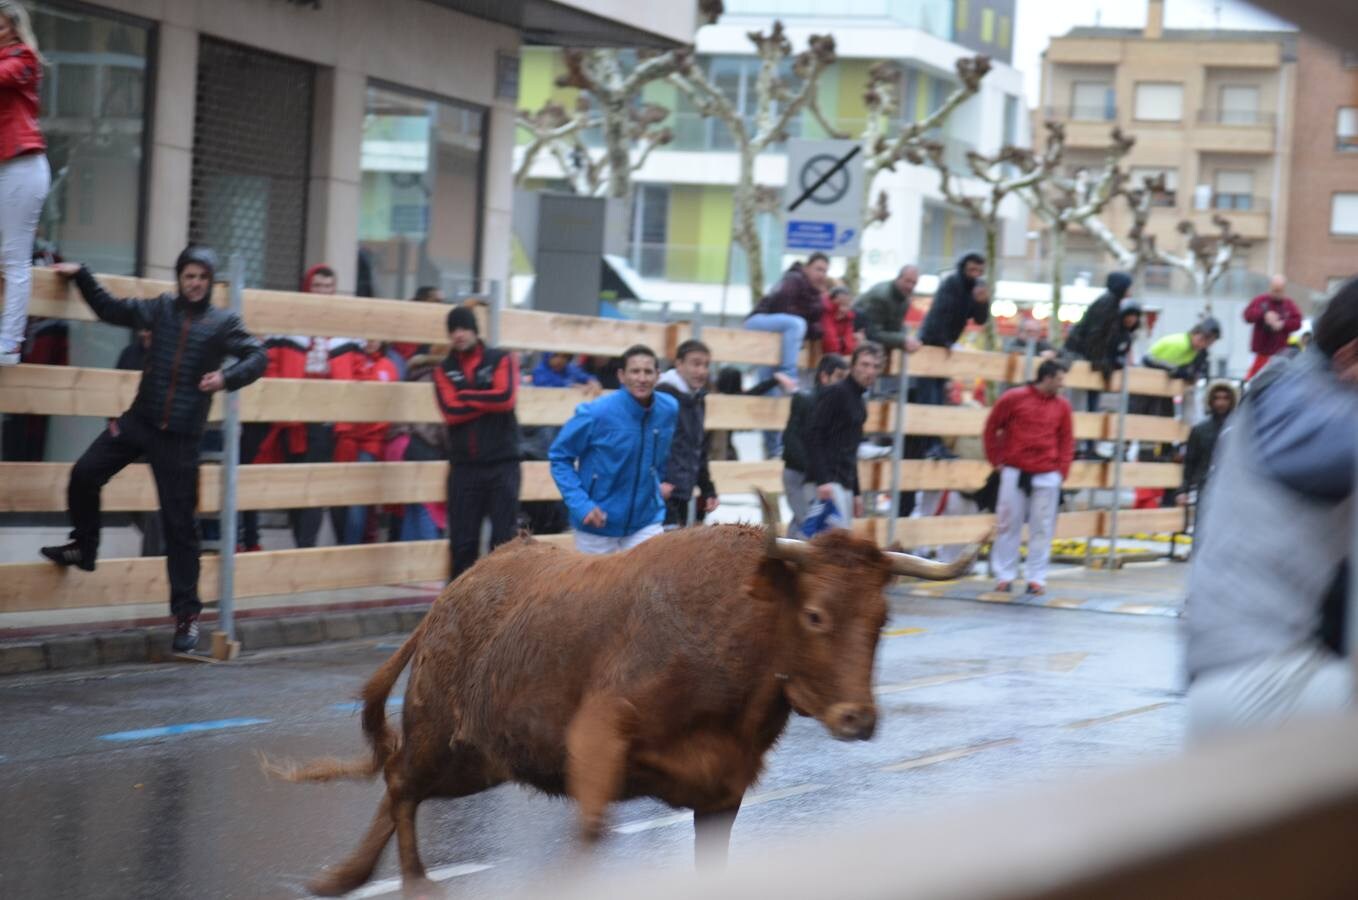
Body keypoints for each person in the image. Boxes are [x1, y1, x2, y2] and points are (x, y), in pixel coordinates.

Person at [41, 248, 267, 652]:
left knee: (180, 529)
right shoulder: (161, 309)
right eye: (188, 275)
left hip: (180, 438)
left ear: (209, 280)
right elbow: (110, 309)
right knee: (84, 473)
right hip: (139, 422)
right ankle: (84, 546)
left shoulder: (221, 323)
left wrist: (226, 378)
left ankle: (186, 618)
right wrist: (82, 274)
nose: (194, 282)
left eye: (201, 276)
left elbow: (258, 355)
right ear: (178, 278)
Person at [1184, 280, 1358, 737]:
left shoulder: (1302, 391)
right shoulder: (1297, 401)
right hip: (1262, 687)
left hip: (1275, 681)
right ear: (1352, 357)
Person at [549, 344, 678, 554]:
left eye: (648, 372)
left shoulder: (669, 408)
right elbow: (559, 457)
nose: (642, 378)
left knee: (650, 584)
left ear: (658, 376)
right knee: (598, 588)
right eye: (635, 371)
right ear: (621, 375)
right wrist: (582, 505)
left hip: (646, 520)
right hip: (597, 522)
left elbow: (664, 449)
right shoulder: (596, 413)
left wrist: (660, 482)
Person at [432, 305, 522, 578]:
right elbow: (451, 412)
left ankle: (501, 606)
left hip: (502, 464)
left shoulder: (501, 358)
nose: (459, 334)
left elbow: (506, 398)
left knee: (503, 542)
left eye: (464, 327)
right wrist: (485, 396)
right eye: (454, 329)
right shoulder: (444, 369)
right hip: (464, 467)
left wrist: (466, 395)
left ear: (475, 329)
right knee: (462, 543)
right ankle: (458, 610)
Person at [983, 359, 1074, 596]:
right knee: (1007, 524)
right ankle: (1005, 575)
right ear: (1047, 377)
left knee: (1042, 527)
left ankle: (1036, 577)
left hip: (1046, 473)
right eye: (1060, 378)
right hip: (1015, 469)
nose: (1062, 383)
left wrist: (1061, 471)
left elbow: (1066, 439)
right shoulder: (1013, 398)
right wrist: (997, 461)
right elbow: (992, 428)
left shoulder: (1062, 406)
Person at [0, 1, 50, 366]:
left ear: (13, 28)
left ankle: (10, 343)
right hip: (8, 166)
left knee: (14, 258)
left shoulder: (23, 58)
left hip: (23, 165)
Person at [804, 343, 883, 530]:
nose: (870, 371)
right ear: (853, 366)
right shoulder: (836, 392)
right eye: (865, 364)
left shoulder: (860, 402)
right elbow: (813, 434)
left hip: (844, 482)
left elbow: (851, 449)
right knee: (825, 548)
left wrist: (856, 492)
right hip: (828, 481)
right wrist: (823, 480)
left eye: (875, 366)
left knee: (833, 548)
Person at [917, 254, 989, 457]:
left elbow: (980, 319)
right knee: (929, 398)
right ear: (963, 267)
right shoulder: (951, 285)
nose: (974, 275)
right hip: (932, 345)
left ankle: (936, 444)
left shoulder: (975, 287)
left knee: (939, 399)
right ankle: (928, 445)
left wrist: (983, 302)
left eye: (978, 271)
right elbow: (939, 315)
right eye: (971, 270)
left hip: (946, 348)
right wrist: (944, 342)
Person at [330, 338, 400, 544]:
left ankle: (350, 547)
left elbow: (379, 409)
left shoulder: (387, 367)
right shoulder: (351, 359)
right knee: (340, 501)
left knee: (357, 503)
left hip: (369, 444)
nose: (371, 342)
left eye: (375, 338)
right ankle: (345, 546)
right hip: (347, 442)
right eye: (366, 337)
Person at [782, 354, 848, 535]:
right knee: (808, 524)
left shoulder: (833, 405)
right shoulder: (806, 400)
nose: (843, 383)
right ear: (824, 377)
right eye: (839, 377)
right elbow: (790, 440)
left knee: (804, 521)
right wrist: (815, 470)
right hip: (799, 474)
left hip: (813, 475)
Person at [656, 340, 718, 528]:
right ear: (679, 363)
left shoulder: (698, 399)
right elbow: (649, 445)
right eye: (696, 363)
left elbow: (698, 448)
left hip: (682, 492)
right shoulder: (661, 397)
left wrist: (707, 489)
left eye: (706, 365)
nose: (702, 371)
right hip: (660, 494)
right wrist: (655, 484)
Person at [745, 252, 827, 378]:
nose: (821, 274)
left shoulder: (816, 294)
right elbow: (781, 307)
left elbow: (813, 324)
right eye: (818, 269)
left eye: (824, 271)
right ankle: (789, 374)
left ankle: (779, 382)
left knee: (770, 386)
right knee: (796, 324)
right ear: (807, 268)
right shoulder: (794, 279)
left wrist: (816, 329)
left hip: (776, 337)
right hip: (758, 320)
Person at [1065, 271, 1134, 409]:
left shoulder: (1111, 303)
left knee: (1090, 398)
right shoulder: (1107, 304)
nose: (1130, 291)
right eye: (1128, 287)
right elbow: (1095, 335)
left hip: (1089, 356)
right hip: (1082, 356)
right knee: (1083, 400)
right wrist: (1099, 361)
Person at [1177, 381, 1237, 512]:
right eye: (1217, 398)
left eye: (1225, 398)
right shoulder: (1200, 430)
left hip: (1233, 488)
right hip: (1206, 486)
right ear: (1210, 400)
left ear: (1231, 400)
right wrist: (1183, 490)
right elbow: (1190, 462)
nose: (1221, 403)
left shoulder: (1240, 429)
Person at [1243, 275, 1302, 381]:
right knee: (1253, 381)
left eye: (1279, 291)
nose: (1276, 294)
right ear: (1270, 288)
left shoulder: (1289, 304)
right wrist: (1263, 315)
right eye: (1275, 290)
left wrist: (1282, 324)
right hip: (1259, 353)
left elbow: (1298, 322)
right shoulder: (1260, 300)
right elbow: (1247, 315)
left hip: (1279, 354)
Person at [854, 265, 923, 353]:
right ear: (898, 278)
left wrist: (907, 340)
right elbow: (873, 334)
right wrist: (902, 340)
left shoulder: (904, 298)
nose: (910, 286)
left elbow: (896, 327)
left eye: (914, 283)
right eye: (907, 281)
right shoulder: (881, 296)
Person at [819, 285, 858, 356]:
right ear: (832, 301)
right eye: (839, 304)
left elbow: (849, 344)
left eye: (846, 305)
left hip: (837, 354)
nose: (843, 309)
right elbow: (830, 341)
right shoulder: (826, 312)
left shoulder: (848, 318)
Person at [532, 351, 599, 389]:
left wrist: (592, 381)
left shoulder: (570, 369)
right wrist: (572, 386)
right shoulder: (540, 371)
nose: (560, 360)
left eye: (564, 356)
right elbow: (546, 383)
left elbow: (583, 376)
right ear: (547, 357)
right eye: (555, 355)